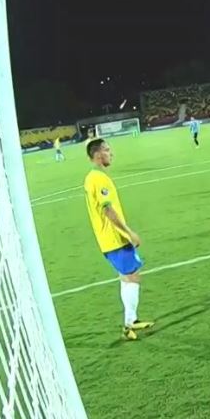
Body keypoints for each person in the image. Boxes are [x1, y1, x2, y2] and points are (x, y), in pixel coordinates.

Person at [83, 139, 154, 340]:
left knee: (127, 276)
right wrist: (129, 232)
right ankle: (128, 324)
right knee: (132, 276)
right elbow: (108, 210)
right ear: (97, 155)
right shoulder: (99, 179)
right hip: (114, 239)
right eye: (107, 150)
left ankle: (131, 320)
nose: (110, 153)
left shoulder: (91, 178)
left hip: (107, 239)